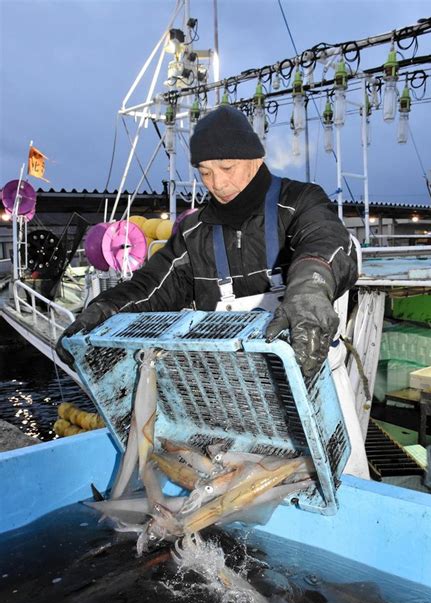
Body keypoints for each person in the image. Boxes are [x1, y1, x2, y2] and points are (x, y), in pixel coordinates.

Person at [57, 105, 369, 477]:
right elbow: (149, 287)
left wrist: (309, 292)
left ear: (255, 159)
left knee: (337, 487)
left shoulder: (300, 202)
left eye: (226, 169)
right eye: (205, 173)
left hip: (313, 389)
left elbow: (327, 242)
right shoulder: (194, 234)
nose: (217, 183)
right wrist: (100, 312)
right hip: (231, 401)